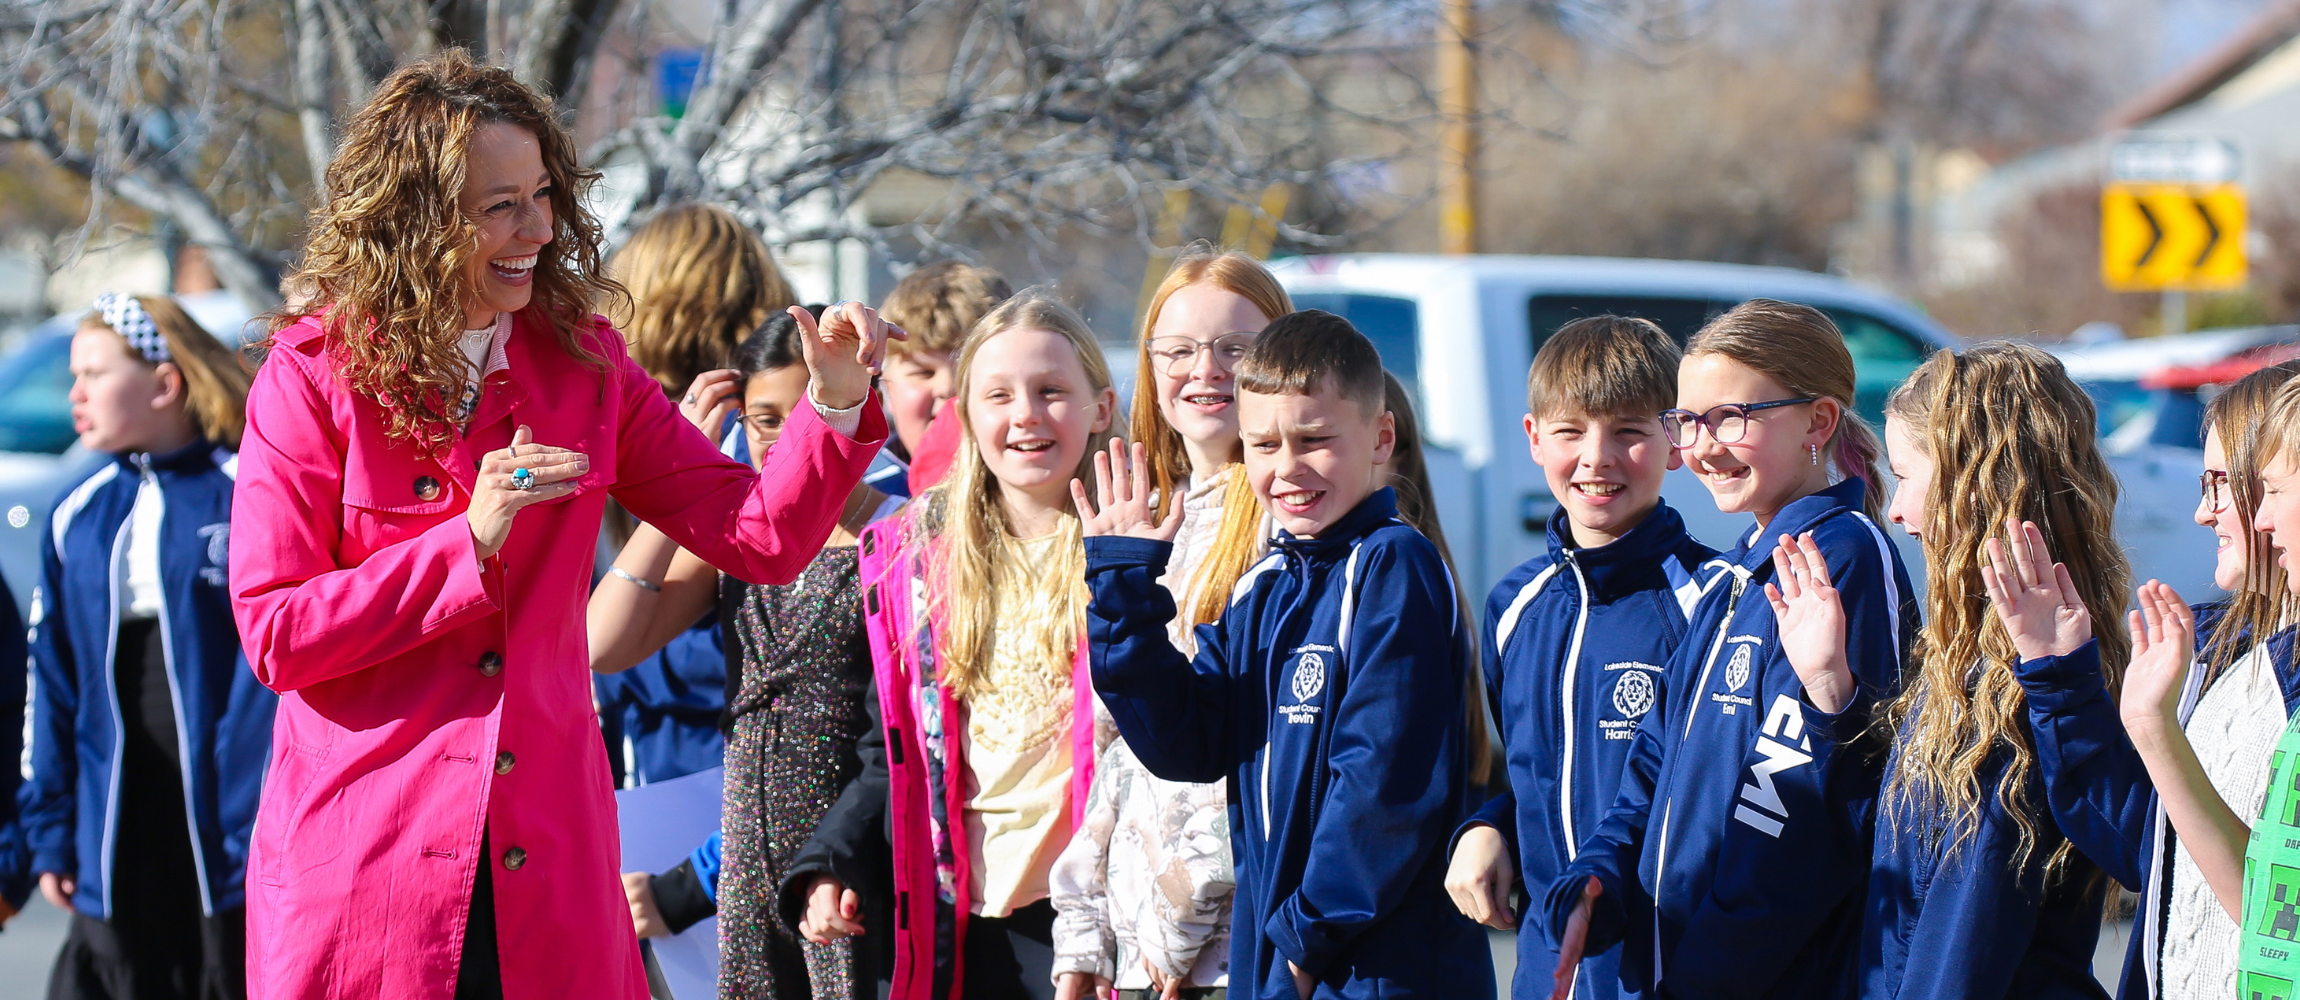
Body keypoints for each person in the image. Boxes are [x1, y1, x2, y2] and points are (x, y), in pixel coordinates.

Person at [227, 50, 895, 999]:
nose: (537, 228)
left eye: (543, 194)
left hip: (551, 865)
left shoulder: (586, 362)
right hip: (370, 873)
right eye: (500, 205)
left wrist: (832, 411)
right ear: (414, 219)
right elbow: (277, 634)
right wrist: (467, 540)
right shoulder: (308, 377)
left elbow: (760, 534)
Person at [1078, 309, 1495, 999]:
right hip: (1281, 959)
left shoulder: (1394, 566)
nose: (1288, 467)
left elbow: (1381, 783)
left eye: (1315, 439)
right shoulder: (1265, 582)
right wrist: (1124, 590)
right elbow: (1187, 742)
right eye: (1264, 445)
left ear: (1380, 436)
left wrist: (1299, 949)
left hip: (1374, 972)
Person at [1544, 298, 1918, 1000]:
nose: (1702, 447)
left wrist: (1703, 979)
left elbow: (1796, 809)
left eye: (1732, 418)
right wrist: (1601, 874)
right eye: (1687, 421)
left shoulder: (1839, 559)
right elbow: (1654, 755)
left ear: (1820, 420)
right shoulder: (1738, 571)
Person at [1768, 343, 2132, 998]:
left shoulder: (2035, 686)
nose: (1896, 510)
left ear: (1975, 485)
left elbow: (1966, 945)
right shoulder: (1969, 661)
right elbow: (1892, 866)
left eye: (1906, 476)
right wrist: (1832, 691)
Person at [783, 291, 1117, 1000]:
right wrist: (831, 862)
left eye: (1052, 391)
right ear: (966, 416)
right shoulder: (917, 564)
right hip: (960, 920)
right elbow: (890, 761)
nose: (1025, 413)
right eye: (998, 395)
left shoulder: (1137, 552)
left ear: (1103, 409)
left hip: (1095, 918)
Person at [605, 310, 897, 999]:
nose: (787, 441)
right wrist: (677, 476)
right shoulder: (738, 541)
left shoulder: (896, 530)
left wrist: (841, 859)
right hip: (745, 854)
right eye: (766, 420)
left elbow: (891, 736)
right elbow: (606, 643)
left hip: (849, 860)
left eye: (808, 413)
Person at [1443, 316, 1722, 1000]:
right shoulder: (1515, 605)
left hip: (1667, 966)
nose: (1597, 457)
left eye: (1628, 431)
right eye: (1571, 431)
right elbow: (1533, 772)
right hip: (1545, 972)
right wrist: (1489, 824)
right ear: (1535, 438)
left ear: (1676, 441)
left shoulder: (1715, 603)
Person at [2006, 361, 2300, 1000]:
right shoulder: (2214, 646)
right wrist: (2061, 675)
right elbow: (2145, 846)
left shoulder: (2284, 676)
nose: (2202, 512)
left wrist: (2153, 730)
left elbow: (2274, 918)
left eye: (2224, 484)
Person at [1048, 248, 1288, 1000]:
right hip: (1139, 955)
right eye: (1178, 350)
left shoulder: (1294, 521)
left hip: (1231, 953)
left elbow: (1254, 753)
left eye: (1235, 350)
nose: (1205, 370)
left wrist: (1182, 931)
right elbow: (1116, 751)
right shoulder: (1142, 513)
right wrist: (1082, 935)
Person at [23, 293, 273, 999]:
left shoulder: (245, 492)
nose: (76, 394)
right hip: (118, 831)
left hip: (231, 840)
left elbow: (277, 674)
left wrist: (251, 807)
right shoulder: (79, 514)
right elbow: (54, 683)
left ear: (165, 385)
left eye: (95, 374)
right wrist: (52, 826)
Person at [594, 203, 802, 787]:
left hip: (719, 772)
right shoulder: (625, 426)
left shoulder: (737, 439)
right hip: (682, 770)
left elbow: (636, 652)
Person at [879, 261, 1014, 481]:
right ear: (887, 388)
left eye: (968, 372)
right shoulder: (862, 497)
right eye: (924, 373)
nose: (947, 388)